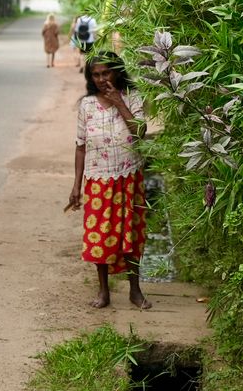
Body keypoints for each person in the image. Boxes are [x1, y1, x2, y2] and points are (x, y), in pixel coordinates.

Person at [66, 52, 151, 309]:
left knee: (132, 235)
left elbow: (140, 132)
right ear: (90, 78)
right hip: (98, 179)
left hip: (129, 178)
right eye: (96, 74)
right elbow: (80, 147)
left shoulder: (132, 97)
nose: (102, 79)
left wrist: (119, 102)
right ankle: (103, 291)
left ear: (117, 72)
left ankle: (135, 291)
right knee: (99, 236)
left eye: (106, 73)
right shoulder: (87, 105)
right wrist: (76, 185)